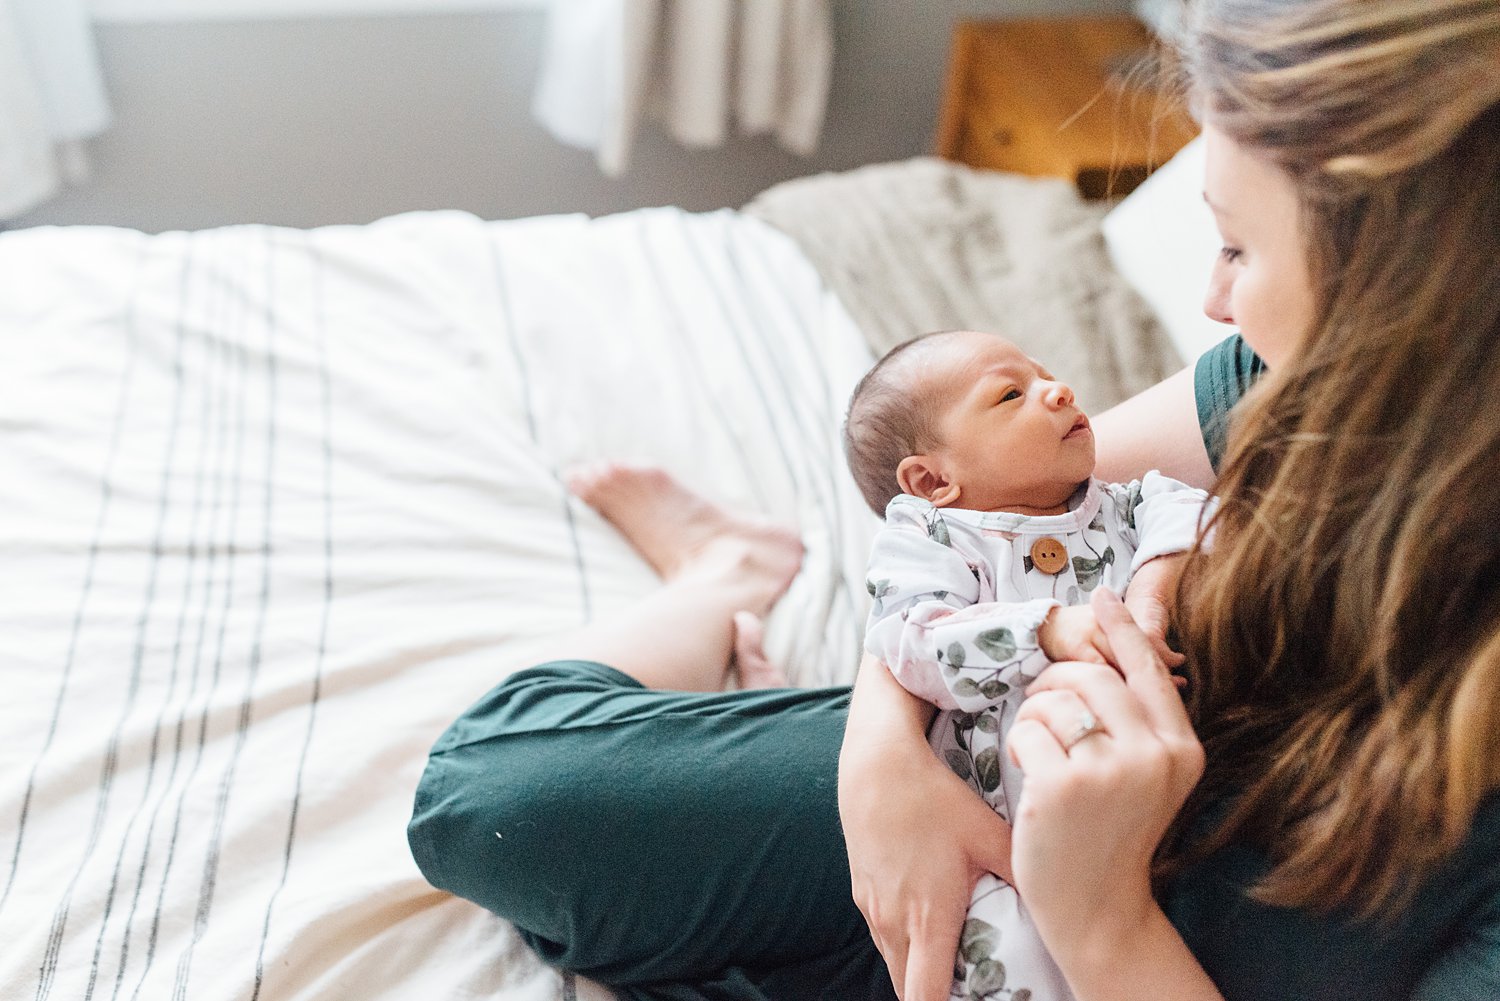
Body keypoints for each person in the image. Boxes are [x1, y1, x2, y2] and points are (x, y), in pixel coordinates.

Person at [407, 1, 1500, 999]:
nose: (1210, 300)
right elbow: (990, 516)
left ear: (1404, 300)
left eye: (1238, 243)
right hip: (987, 777)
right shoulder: (1302, 384)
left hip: (1106, 920)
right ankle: (730, 571)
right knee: (496, 801)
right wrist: (883, 749)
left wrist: (1098, 910)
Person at [843, 329, 1208, 1000]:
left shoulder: (1119, 502)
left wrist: (1153, 592)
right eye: (1012, 393)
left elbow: (1192, 508)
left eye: (1047, 373)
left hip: (1142, 823)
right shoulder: (930, 538)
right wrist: (1049, 628)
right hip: (995, 843)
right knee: (1003, 961)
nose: (1058, 389)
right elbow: (910, 639)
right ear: (932, 479)